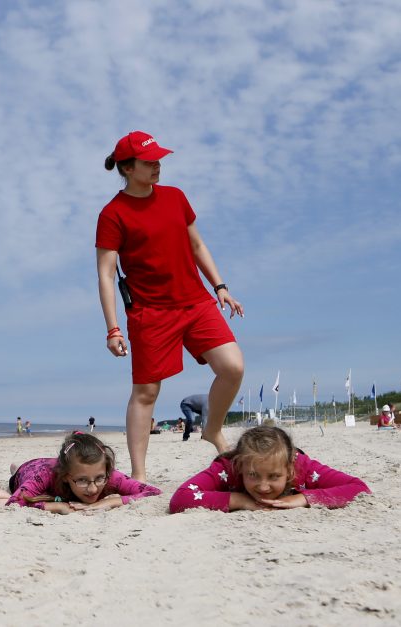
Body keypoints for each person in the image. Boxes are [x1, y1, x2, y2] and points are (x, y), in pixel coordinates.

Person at [96, 131, 245, 481]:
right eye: (149, 162)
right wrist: (113, 328)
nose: (158, 166)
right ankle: (140, 475)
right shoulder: (112, 214)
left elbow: (196, 245)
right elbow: (105, 275)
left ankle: (213, 430)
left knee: (232, 367)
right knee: (146, 392)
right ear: (128, 168)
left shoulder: (176, 197)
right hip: (150, 312)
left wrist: (220, 286)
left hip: (196, 302)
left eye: (159, 159)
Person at [169, 426, 370, 513]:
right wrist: (239, 500)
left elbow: (359, 488)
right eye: (253, 475)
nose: (263, 487)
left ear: (290, 470)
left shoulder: (302, 466)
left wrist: (303, 498)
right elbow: (181, 498)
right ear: (241, 467)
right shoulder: (229, 467)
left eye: (274, 476)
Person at [7, 432, 161, 514]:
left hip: (57, 464)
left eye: (100, 478)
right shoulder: (44, 476)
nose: (93, 489)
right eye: (82, 480)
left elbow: (153, 492)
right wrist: (59, 507)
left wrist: (108, 502)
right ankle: (15, 468)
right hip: (31, 468)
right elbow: (14, 503)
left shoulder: (108, 475)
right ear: (67, 476)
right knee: (16, 473)